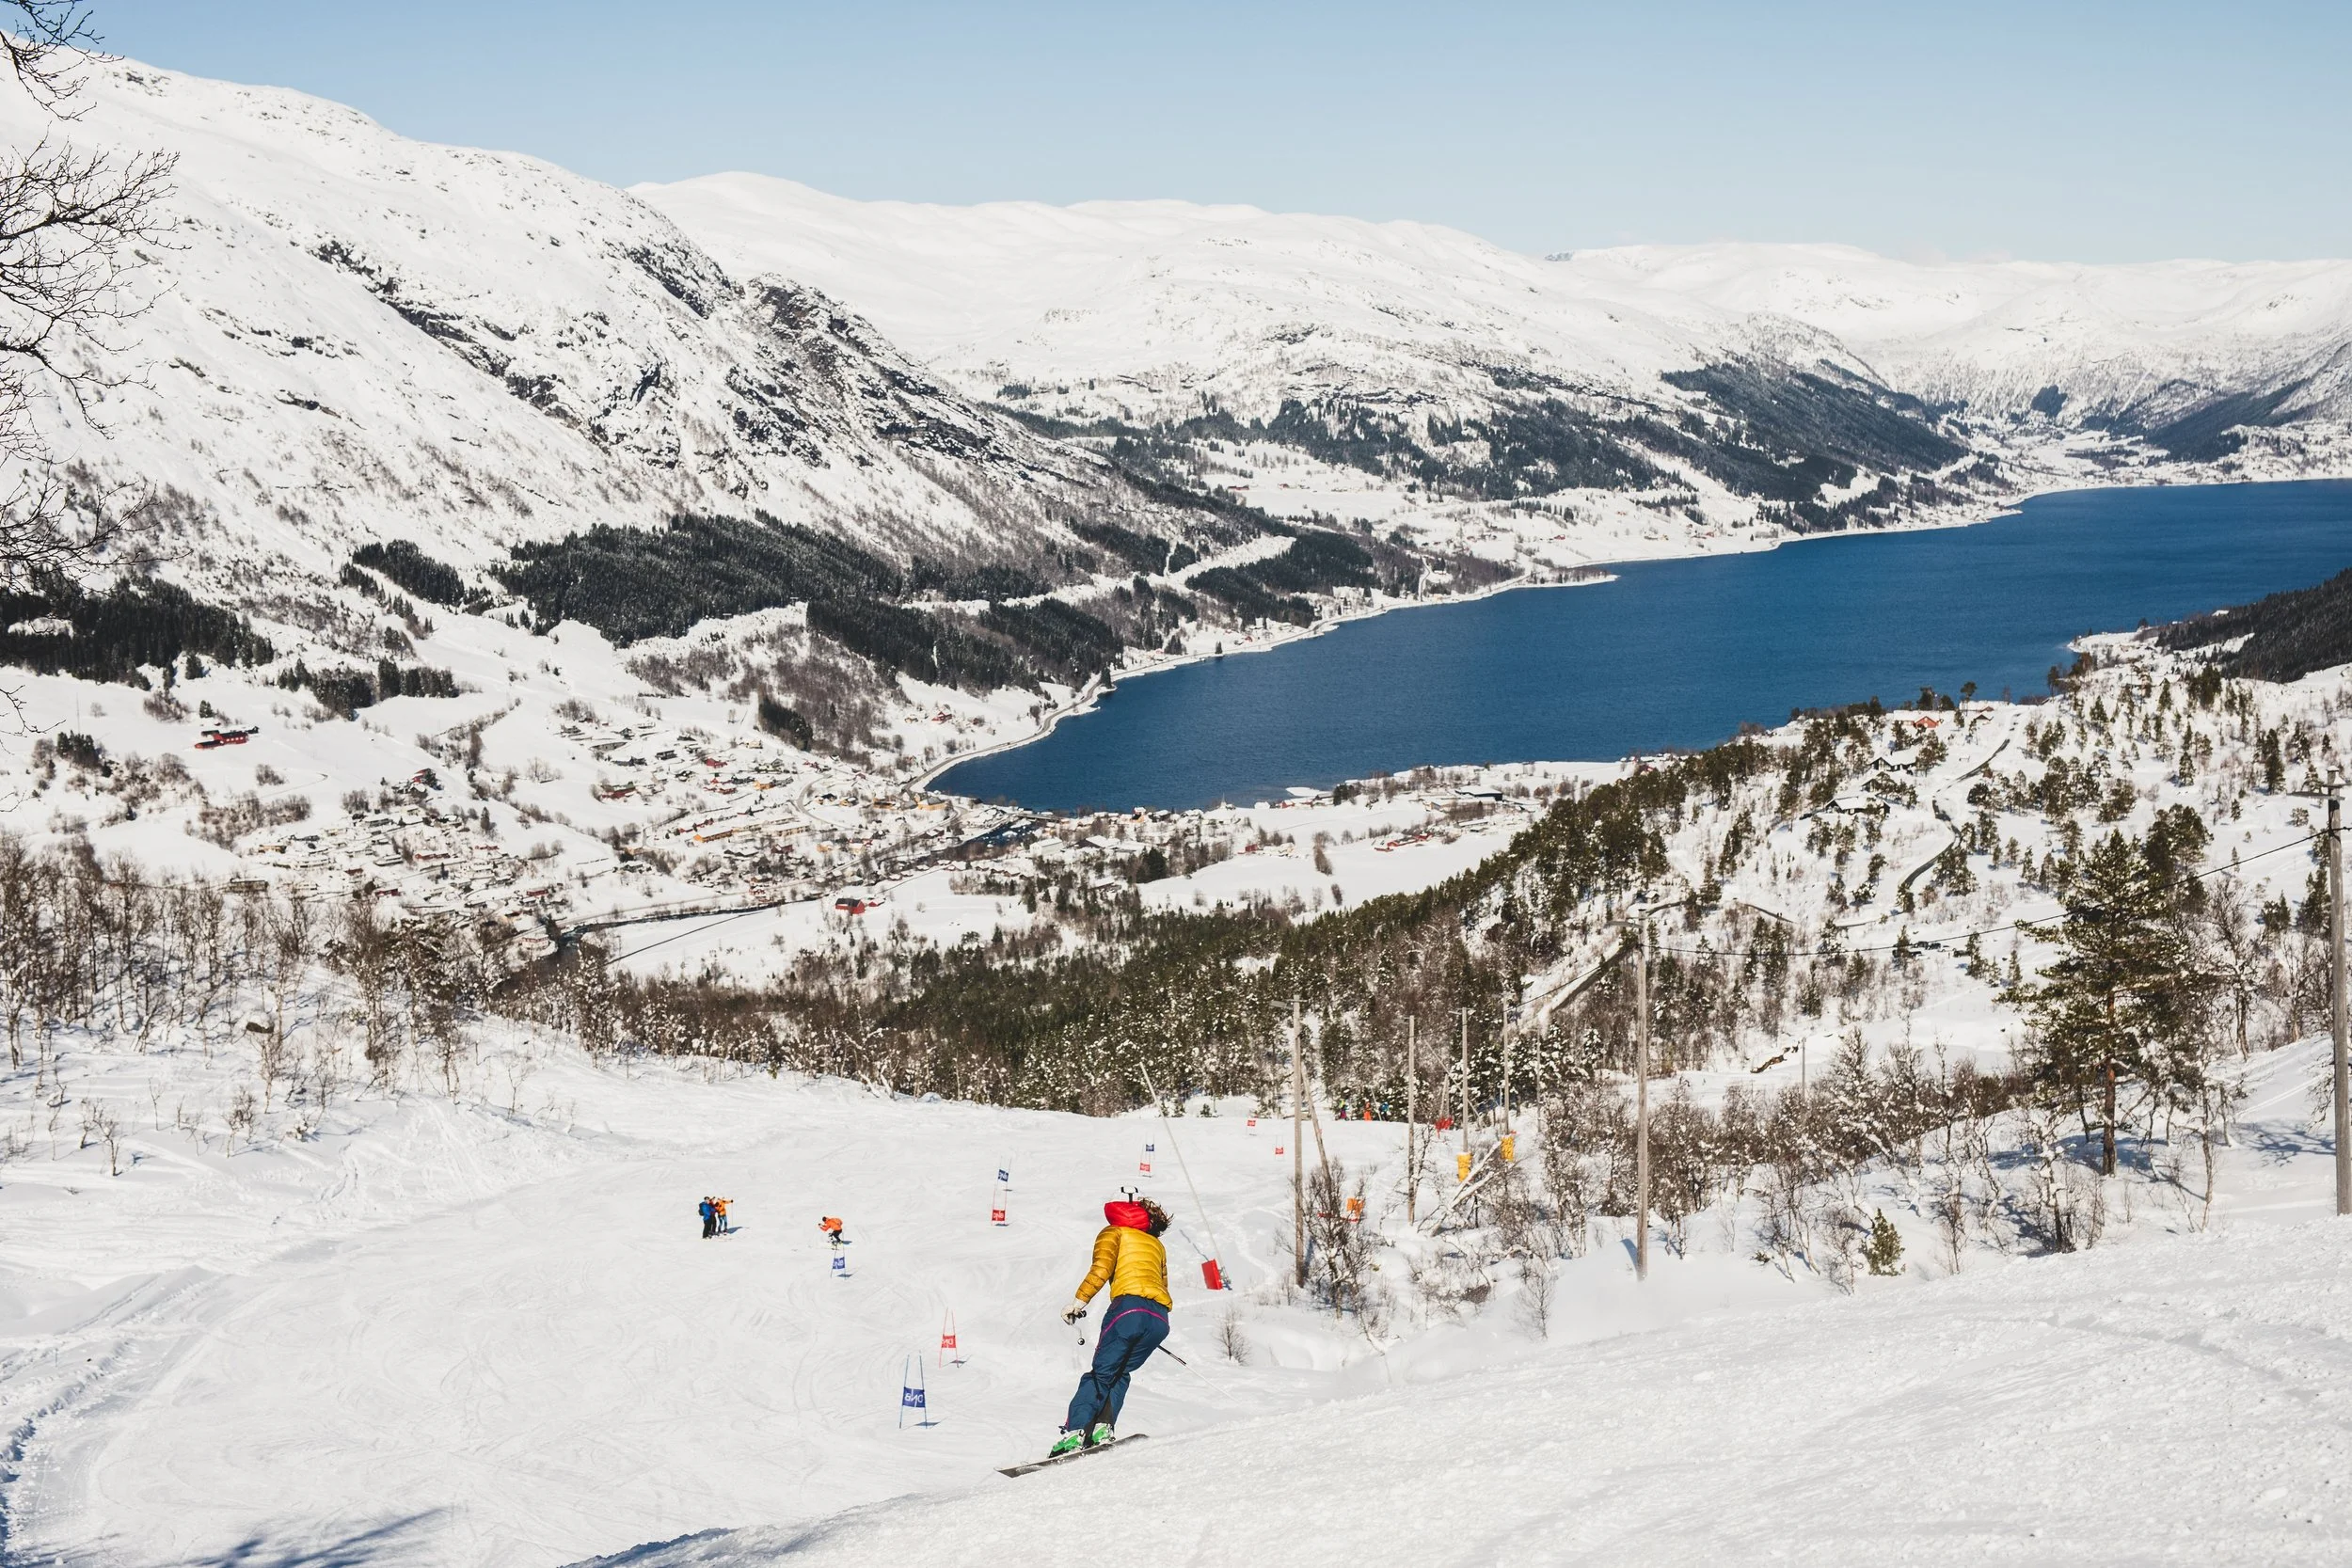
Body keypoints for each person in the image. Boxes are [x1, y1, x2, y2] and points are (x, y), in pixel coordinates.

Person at [1048, 1193, 1172, 1457]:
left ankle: (1075, 1433)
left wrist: (1078, 1303)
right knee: (1120, 1373)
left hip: (1127, 1310)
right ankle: (1103, 1428)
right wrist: (1148, 1318)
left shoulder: (1114, 1232)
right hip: (1160, 1318)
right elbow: (1162, 1284)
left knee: (1100, 1374)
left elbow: (1101, 1269)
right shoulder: (1155, 1245)